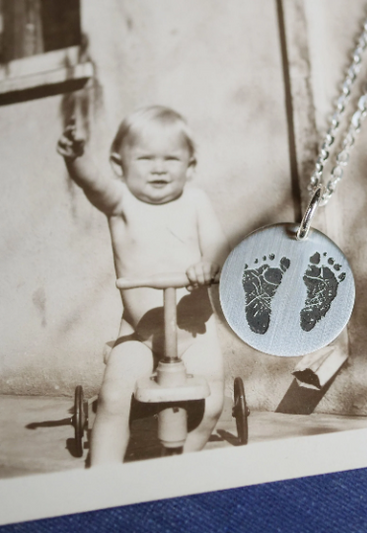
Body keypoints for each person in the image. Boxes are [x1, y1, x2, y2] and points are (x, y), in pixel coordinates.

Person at [57, 105, 230, 465]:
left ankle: (178, 466)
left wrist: (208, 262)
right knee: (115, 398)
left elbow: (216, 242)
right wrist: (77, 160)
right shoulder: (122, 204)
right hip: (140, 330)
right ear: (120, 166)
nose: (159, 167)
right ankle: (104, 476)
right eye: (145, 158)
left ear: (190, 166)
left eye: (171, 158)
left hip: (194, 329)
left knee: (211, 402)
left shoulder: (196, 201)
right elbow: (95, 185)